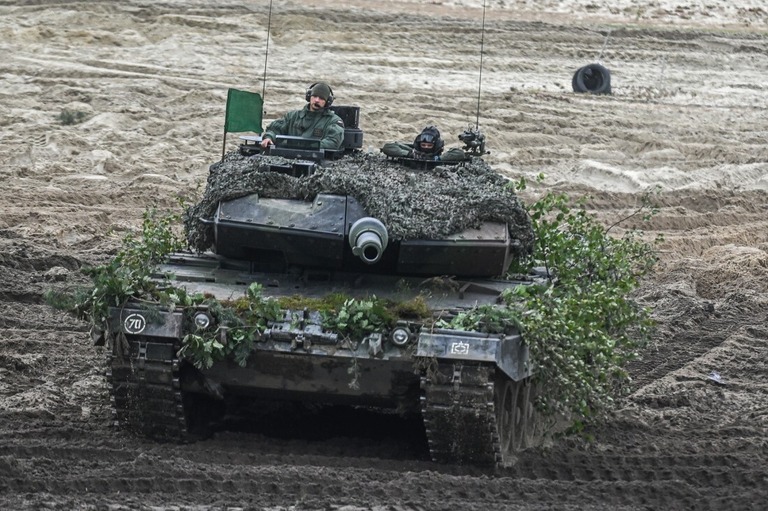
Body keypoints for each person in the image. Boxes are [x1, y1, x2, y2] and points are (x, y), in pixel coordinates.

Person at [259, 82, 345, 150]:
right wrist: (269, 137)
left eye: (321, 98)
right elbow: (275, 129)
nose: (317, 100)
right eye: (314, 96)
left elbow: (333, 141)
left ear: (327, 101)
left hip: (315, 157)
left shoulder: (333, 121)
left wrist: (311, 147)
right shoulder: (293, 116)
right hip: (288, 154)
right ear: (309, 97)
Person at [381, 125, 466, 162]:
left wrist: (438, 159)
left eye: (429, 146)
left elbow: (460, 153)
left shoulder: (440, 155)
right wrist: (409, 154)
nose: (426, 148)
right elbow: (388, 147)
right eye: (423, 145)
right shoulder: (413, 151)